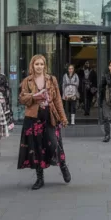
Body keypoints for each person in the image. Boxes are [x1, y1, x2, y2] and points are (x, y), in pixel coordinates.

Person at [17, 54, 70, 190]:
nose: (39, 67)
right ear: (32, 65)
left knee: (54, 144)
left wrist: (63, 117)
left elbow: (58, 99)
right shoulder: (27, 81)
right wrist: (34, 97)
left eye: (41, 64)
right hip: (33, 119)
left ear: (45, 65)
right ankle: (39, 178)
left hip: (49, 117)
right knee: (36, 148)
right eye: (36, 64)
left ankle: (62, 164)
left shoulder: (52, 79)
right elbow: (22, 99)